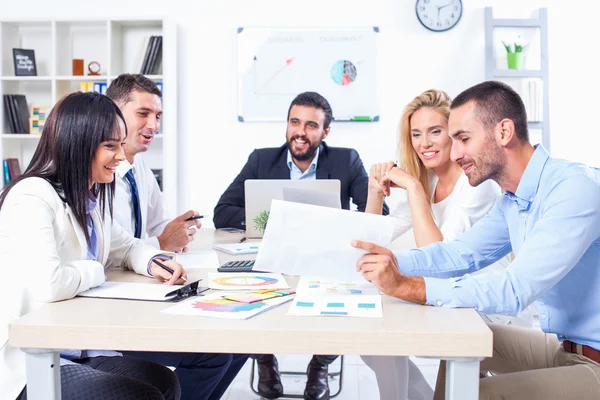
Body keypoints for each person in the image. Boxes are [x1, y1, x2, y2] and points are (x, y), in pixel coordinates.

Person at [352, 81, 600, 399]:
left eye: (463, 139)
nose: (455, 154)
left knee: (472, 393)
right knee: (457, 345)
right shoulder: (513, 199)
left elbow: (515, 290)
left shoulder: (574, 190)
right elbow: (461, 254)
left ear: (503, 132)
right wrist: (392, 259)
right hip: (563, 348)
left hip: (593, 363)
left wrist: (406, 286)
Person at [0, 92, 246, 400]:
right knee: (142, 394)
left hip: (78, 343)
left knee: (165, 383)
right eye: (110, 146)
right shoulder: (32, 196)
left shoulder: (89, 198)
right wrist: (95, 270)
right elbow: (50, 284)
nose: (121, 155)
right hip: (33, 357)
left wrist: (153, 261)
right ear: (77, 144)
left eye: (120, 143)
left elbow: (127, 246)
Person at [214, 91, 386, 400]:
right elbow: (222, 211)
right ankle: (264, 358)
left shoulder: (346, 160)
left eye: (310, 125)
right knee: (244, 287)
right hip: (275, 254)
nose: (301, 132)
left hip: (327, 258)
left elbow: (377, 214)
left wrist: (338, 226)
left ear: (325, 132)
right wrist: (277, 222)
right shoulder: (261, 159)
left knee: (349, 296)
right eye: (295, 122)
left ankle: (320, 363)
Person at [362, 89, 505, 400]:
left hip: (483, 300)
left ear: (453, 134)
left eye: (434, 131)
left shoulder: (475, 183)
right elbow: (371, 240)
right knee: (372, 343)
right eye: (416, 134)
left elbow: (442, 262)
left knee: (386, 336)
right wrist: (375, 191)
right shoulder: (426, 181)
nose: (424, 143)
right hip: (444, 293)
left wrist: (412, 187)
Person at [107, 74, 200, 253]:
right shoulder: (96, 172)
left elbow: (158, 224)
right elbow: (109, 251)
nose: (154, 125)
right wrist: (162, 243)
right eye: (143, 114)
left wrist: (178, 232)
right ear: (114, 114)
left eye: (157, 116)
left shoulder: (139, 166)